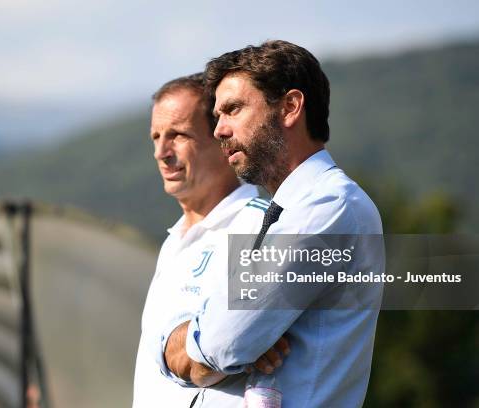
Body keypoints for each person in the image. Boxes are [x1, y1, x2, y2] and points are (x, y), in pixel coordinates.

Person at [159, 41, 384, 407]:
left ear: (290, 107)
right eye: (217, 116)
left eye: (232, 109)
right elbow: (226, 338)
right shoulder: (291, 208)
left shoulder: (327, 206)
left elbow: (224, 341)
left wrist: (173, 347)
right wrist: (211, 341)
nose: (219, 130)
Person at [133, 74, 290, 408]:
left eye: (178, 135)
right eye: (156, 137)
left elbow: (228, 344)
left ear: (221, 139)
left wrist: (214, 343)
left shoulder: (259, 228)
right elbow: (222, 344)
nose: (161, 152)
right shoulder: (174, 240)